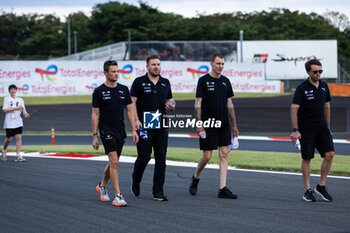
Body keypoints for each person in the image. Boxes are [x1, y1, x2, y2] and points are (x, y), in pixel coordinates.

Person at [189, 54, 239, 199]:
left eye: (223, 64)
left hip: (224, 123)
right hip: (208, 124)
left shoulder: (225, 81)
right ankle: (196, 176)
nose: (221, 66)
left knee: (224, 154)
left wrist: (234, 125)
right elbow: (198, 102)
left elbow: (230, 103)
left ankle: (222, 188)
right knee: (207, 156)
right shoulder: (203, 81)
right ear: (212, 64)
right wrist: (199, 123)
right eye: (218, 63)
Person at [92, 60, 139, 207]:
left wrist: (134, 130)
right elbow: (95, 114)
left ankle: (102, 186)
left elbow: (130, 110)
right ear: (105, 73)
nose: (116, 74)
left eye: (117, 71)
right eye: (113, 72)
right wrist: (95, 135)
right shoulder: (98, 91)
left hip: (121, 130)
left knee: (113, 162)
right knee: (115, 162)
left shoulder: (124, 89)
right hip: (106, 130)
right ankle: (118, 195)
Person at [130, 55, 176, 201]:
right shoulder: (139, 82)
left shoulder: (165, 82)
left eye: (158, 64)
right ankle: (136, 179)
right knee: (144, 156)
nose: (156, 67)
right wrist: (136, 120)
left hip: (161, 124)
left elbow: (170, 101)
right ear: (147, 66)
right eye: (153, 64)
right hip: (144, 126)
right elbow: (131, 104)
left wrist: (172, 106)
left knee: (161, 159)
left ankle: (158, 192)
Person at [290, 58, 335, 202]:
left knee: (330, 154)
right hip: (306, 128)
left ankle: (321, 186)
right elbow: (293, 109)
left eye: (320, 71)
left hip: (321, 126)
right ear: (308, 72)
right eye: (315, 72)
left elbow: (327, 106)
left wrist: (328, 127)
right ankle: (307, 190)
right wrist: (295, 130)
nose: (318, 74)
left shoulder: (324, 86)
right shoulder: (301, 87)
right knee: (307, 158)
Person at [1, 84, 29, 162]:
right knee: (9, 139)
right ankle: (4, 151)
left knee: (19, 137)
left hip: (18, 121)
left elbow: (23, 109)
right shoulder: (7, 99)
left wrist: (25, 113)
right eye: (11, 89)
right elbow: (5, 110)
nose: (13, 91)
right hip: (9, 122)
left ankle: (18, 155)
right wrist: (15, 108)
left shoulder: (20, 100)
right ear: (9, 91)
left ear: (16, 90)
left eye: (14, 89)